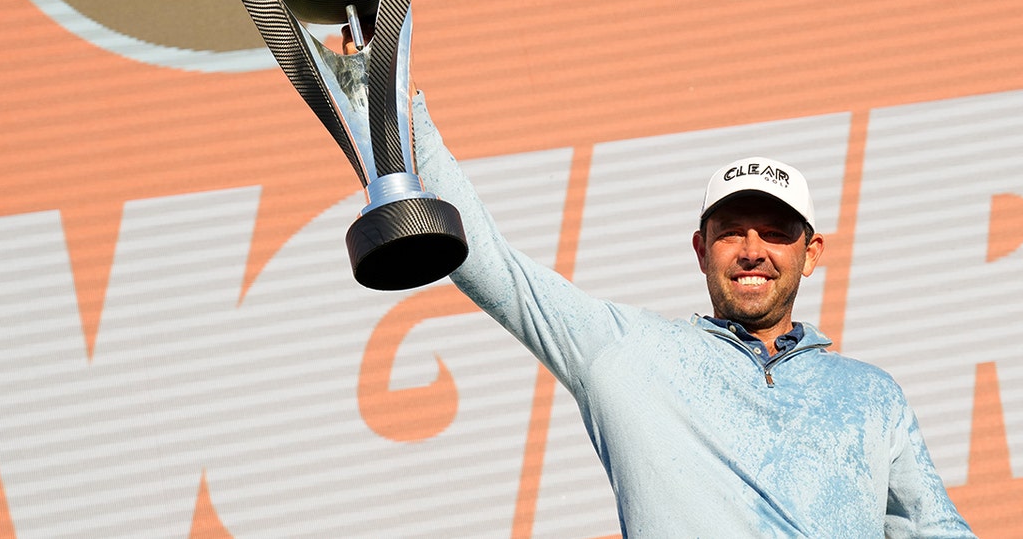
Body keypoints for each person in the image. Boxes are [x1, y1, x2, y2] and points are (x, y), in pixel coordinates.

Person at [345, 31, 974, 537]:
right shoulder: (627, 351)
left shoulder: (870, 394)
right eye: (731, 232)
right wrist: (391, 104)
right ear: (700, 251)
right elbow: (491, 266)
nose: (753, 251)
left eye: (776, 233)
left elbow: (937, 529)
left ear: (812, 254)